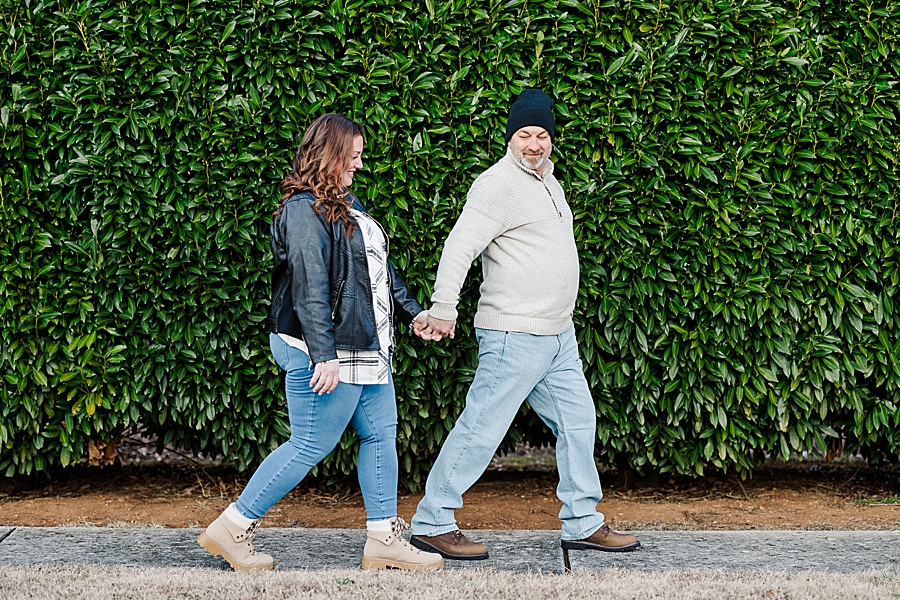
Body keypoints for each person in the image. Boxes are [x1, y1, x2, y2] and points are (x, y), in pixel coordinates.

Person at [198, 113, 443, 572]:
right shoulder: (302, 209)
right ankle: (231, 530)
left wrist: (415, 313)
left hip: (363, 347)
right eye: (352, 157)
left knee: (379, 434)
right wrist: (324, 358)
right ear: (329, 155)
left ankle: (383, 539)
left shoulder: (346, 202)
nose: (359, 165)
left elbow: (376, 272)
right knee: (310, 443)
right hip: (325, 349)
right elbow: (309, 286)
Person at [409, 89, 641, 559]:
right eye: (524, 134)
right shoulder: (497, 184)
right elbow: (459, 247)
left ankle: (581, 521)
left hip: (558, 334)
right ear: (510, 138)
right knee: (481, 428)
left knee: (578, 422)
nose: (534, 143)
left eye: (541, 135)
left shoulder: (548, 182)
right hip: (515, 333)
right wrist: (444, 308)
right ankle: (432, 521)